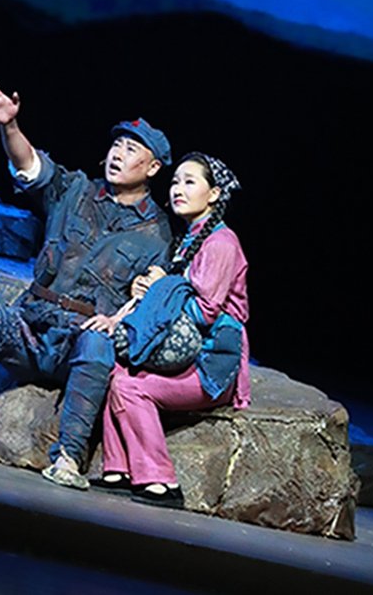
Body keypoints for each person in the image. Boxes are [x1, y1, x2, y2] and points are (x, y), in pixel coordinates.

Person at [0, 84, 173, 489]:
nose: (118, 154)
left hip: (78, 343)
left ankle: (68, 457)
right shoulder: (75, 190)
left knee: (98, 348)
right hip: (32, 327)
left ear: (153, 168)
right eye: (116, 145)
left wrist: (115, 322)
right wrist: (10, 125)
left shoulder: (157, 234)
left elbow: (148, 301)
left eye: (131, 149)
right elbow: (31, 166)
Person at [95, 152, 249, 508]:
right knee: (116, 371)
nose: (178, 189)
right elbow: (173, 292)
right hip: (185, 351)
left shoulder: (221, 243)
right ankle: (119, 469)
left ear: (214, 194)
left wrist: (162, 288)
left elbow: (205, 312)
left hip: (211, 362)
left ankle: (161, 481)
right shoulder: (190, 239)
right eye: (176, 181)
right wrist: (147, 292)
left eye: (190, 182)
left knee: (132, 387)